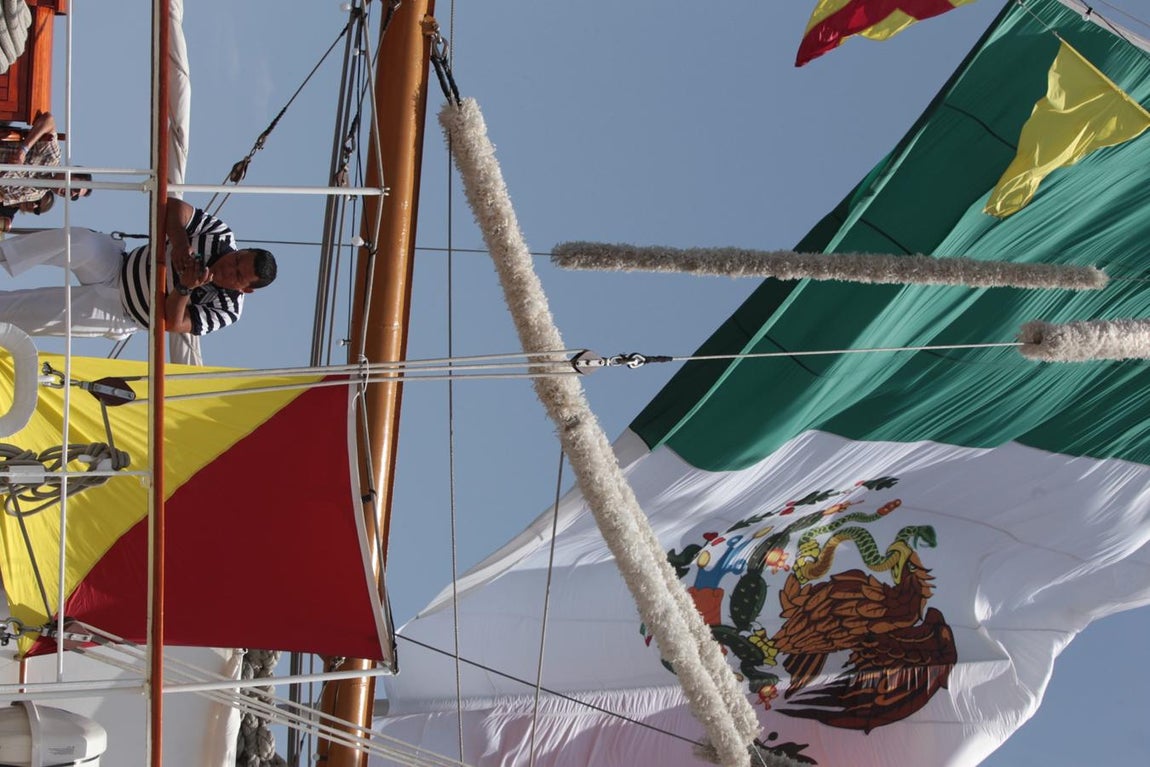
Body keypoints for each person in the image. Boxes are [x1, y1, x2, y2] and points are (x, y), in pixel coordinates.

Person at [0, 197, 277, 340]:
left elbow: (174, 324)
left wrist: (184, 287)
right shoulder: (221, 235)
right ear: (241, 250)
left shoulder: (228, 310)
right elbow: (175, 208)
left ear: (246, 290)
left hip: (121, 313)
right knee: (78, 242)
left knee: (35, 312)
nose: (229, 267)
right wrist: (180, 244)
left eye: (237, 275)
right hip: (118, 263)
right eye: (237, 259)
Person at [0, 112, 93, 206]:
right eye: (76, 188)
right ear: (71, 172)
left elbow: (2, 197)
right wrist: (23, 151)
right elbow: (48, 120)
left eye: (74, 197)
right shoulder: (52, 158)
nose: (72, 194)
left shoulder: (36, 195)